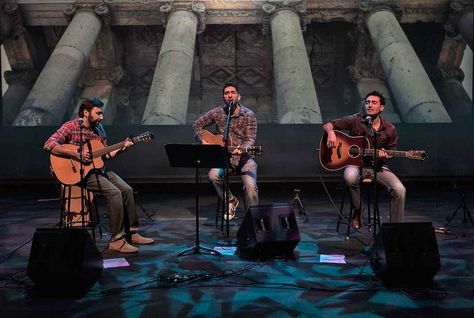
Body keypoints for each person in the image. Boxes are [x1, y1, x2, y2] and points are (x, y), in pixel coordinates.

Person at [44, 97, 154, 253]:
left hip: (96, 170)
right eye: (98, 113)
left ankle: (132, 232)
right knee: (114, 192)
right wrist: (75, 154)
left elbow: (107, 155)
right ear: (85, 112)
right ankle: (116, 240)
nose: (101, 117)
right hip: (78, 173)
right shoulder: (71, 126)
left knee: (127, 190)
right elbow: (49, 144)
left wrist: (124, 146)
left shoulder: (99, 129)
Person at [323, 91, 406, 229]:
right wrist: (331, 132)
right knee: (350, 177)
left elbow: (391, 149)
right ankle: (358, 209)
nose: (369, 105)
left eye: (374, 102)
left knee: (400, 190)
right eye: (367, 102)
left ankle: (396, 229)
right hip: (355, 165)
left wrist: (386, 153)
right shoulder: (355, 119)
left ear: (382, 107)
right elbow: (328, 124)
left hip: (377, 166)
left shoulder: (390, 128)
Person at [193, 83, 258, 220]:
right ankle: (231, 201)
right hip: (224, 158)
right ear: (223, 97)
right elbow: (197, 124)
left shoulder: (249, 115)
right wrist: (203, 141)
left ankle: (252, 220)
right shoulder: (218, 112)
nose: (230, 95)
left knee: (251, 187)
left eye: (233, 92)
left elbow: (250, 139)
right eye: (227, 93)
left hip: (244, 158)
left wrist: (242, 148)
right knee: (213, 176)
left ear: (238, 96)